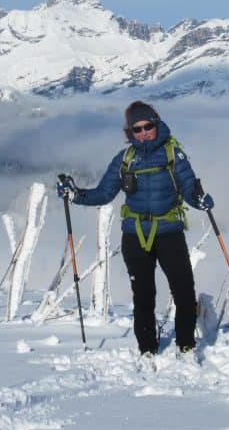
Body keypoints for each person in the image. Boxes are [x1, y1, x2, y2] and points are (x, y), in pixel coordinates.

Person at [56, 101, 214, 356]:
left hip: (169, 232)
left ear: (156, 123)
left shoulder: (174, 154)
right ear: (130, 132)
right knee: (143, 295)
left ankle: (186, 344)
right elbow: (104, 193)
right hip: (135, 235)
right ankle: (147, 348)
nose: (143, 133)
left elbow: (188, 188)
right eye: (137, 129)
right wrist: (74, 195)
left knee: (184, 290)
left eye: (147, 126)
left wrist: (200, 201)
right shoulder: (125, 159)